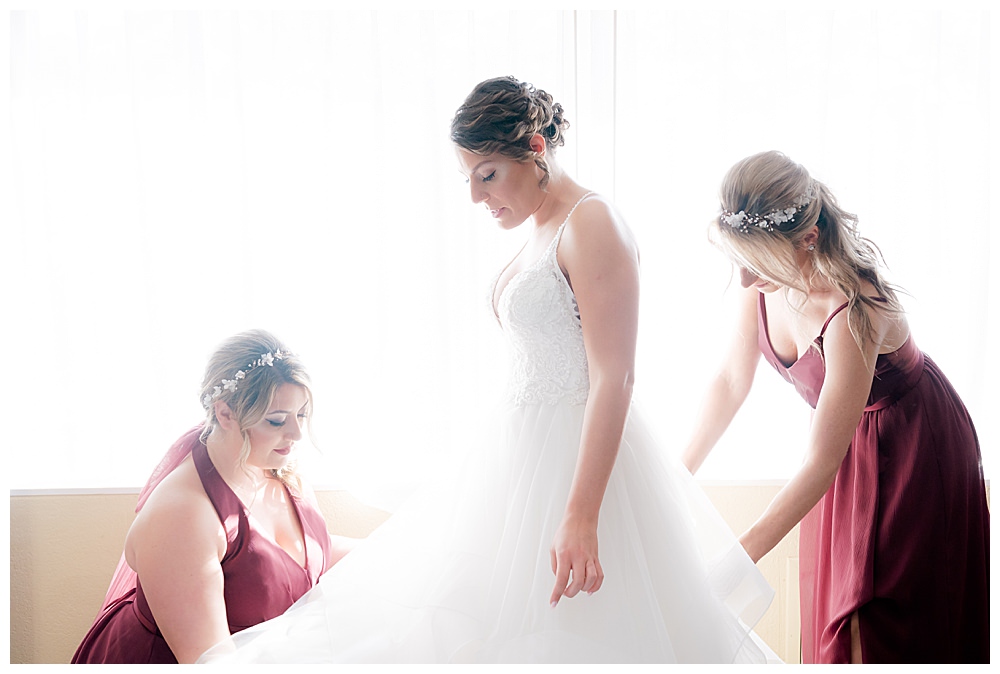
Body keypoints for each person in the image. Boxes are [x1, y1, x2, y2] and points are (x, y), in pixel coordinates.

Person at [198, 76, 774, 664]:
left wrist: (580, 513)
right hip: (516, 462)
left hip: (572, 471)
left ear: (536, 147)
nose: (476, 195)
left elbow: (615, 377)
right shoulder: (543, 228)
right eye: (468, 177)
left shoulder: (592, 222)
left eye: (488, 173)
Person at [681, 150, 990, 663]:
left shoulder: (852, 307)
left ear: (807, 238)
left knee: (882, 626)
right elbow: (730, 381)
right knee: (837, 621)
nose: (742, 279)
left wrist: (737, 561)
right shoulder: (759, 276)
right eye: (738, 258)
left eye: (754, 261)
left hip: (911, 448)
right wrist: (675, 476)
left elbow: (822, 462)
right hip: (841, 446)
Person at [72, 329, 355, 663]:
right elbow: (210, 659)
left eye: (302, 415)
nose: (296, 434)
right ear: (225, 414)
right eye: (276, 420)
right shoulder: (183, 516)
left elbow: (296, 555)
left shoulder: (273, 465)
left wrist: (402, 549)